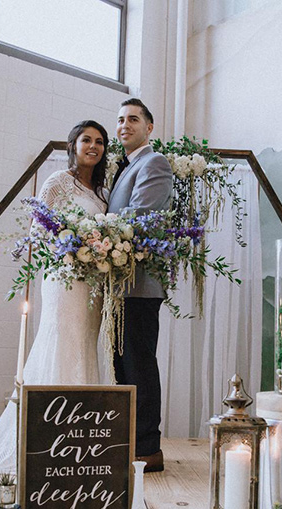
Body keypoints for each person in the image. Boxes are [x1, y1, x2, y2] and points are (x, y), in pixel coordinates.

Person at [0, 120, 110, 474]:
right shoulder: (57, 182)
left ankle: (79, 435)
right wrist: (72, 246)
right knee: (61, 342)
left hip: (91, 282)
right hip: (64, 280)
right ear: (73, 145)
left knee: (84, 345)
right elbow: (38, 230)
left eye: (99, 141)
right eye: (86, 140)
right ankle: (47, 435)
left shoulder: (102, 192)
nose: (92, 146)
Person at [107, 98, 174, 472]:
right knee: (124, 367)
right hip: (120, 285)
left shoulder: (154, 163)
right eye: (119, 119)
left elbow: (141, 216)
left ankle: (148, 448)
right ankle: (132, 442)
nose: (124, 125)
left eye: (133, 119)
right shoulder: (126, 167)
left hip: (141, 285)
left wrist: (93, 236)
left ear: (150, 127)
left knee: (140, 366)